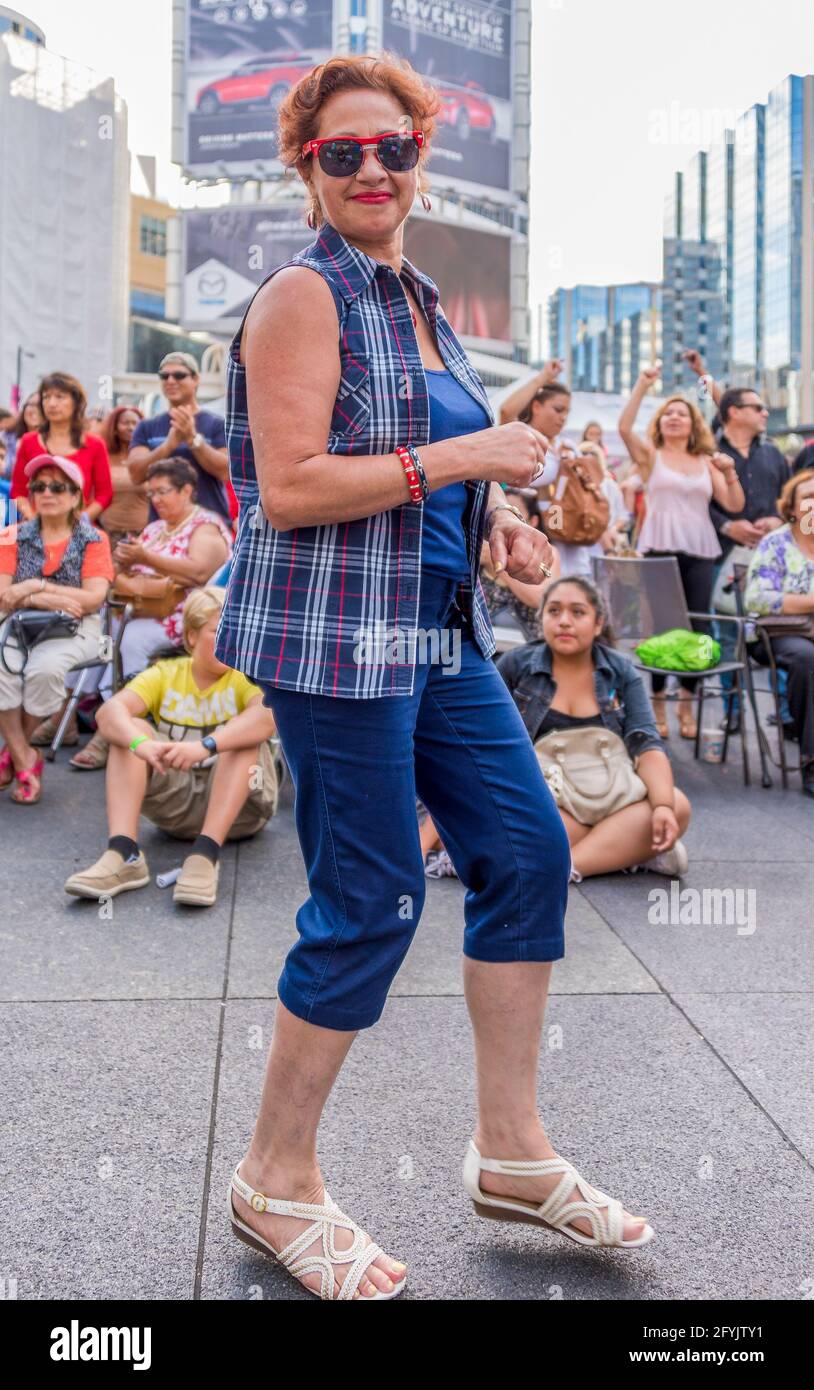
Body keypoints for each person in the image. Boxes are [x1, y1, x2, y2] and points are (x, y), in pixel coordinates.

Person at [213, 52, 653, 1305]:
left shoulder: (413, 296)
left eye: (391, 148)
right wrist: (463, 451)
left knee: (524, 850)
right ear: (305, 166)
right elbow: (292, 488)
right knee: (371, 896)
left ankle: (510, 1152)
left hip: (437, 623)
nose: (370, 169)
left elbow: (424, 458)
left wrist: (496, 510)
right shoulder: (305, 295)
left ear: (422, 158)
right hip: (338, 636)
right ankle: (273, 1177)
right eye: (340, 151)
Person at [64, 587, 279, 906]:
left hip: (242, 814)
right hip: (174, 805)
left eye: (234, 632)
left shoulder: (244, 675)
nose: (228, 640)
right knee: (131, 729)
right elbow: (109, 713)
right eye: (217, 631)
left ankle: (205, 856)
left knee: (242, 740)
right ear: (191, 637)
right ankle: (124, 853)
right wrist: (141, 744)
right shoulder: (166, 673)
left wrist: (206, 746)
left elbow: (268, 716)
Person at [497, 577, 691, 878]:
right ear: (541, 618)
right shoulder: (514, 665)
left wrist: (663, 806)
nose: (564, 622)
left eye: (577, 612)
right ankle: (624, 851)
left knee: (676, 805)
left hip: (612, 792)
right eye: (554, 611)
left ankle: (563, 869)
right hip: (550, 799)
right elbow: (486, 742)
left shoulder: (621, 671)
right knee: (528, 831)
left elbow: (646, 741)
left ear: (598, 623)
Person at [67, 457, 232, 771]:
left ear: (186, 491)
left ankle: (113, 726)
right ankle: (69, 711)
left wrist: (145, 557)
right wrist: (125, 561)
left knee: (129, 641)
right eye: (151, 493)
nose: (155, 499)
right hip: (134, 608)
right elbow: (131, 567)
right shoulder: (156, 527)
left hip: (180, 616)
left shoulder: (205, 526)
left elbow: (199, 572)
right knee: (94, 632)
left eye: (162, 491)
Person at [618, 367, 745, 739]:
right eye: (669, 413)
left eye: (683, 413)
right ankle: (658, 706)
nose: (675, 417)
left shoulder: (707, 460)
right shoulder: (650, 456)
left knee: (697, 629)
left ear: (694, 424)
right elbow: (625, 429)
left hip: (701, 550)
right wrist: (642, 383)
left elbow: (734, 504)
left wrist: (730, 471)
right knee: (660, 629)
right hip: (659, 548)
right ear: (661, 421)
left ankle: (687, 708)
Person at [0, 454, 113, 803]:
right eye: (39, 486)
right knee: (1, 668)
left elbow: (93, 599)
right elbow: (3, 594)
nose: (47, 492)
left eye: (57, 486)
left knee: (43, 670)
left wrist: (34, 588)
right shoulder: (11, 535)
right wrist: (53, 597)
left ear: (76, 496)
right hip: (17, 623)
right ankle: (23, 758)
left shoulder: (93, 538)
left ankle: (12, 755)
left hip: (76, 626)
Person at [745, 469, 814, 798]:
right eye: (808, 498)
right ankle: (811, 760)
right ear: (791, 508)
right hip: (775, 634)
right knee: (807, 660)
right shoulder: (777, 543)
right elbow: (757, 598)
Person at [128, 353, 230, 525]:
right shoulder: (146, 427)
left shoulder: (217, 425)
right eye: (164, 376)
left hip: (210, 526)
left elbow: (226, 471)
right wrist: (168, 446)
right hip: (163, 529)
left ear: (196, 379)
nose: (170, 381)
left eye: (179, 375)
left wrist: (193, 440)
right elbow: (136, 474)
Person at [10, 373, 113, 525]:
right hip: (36, 530)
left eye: (60, 397)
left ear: (76, 403)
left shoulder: (95, 445)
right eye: (46, 397)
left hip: (78, 532)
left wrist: (80, 519)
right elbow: (18, 491)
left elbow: (105, 494)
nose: (51, 403)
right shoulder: (28, 442)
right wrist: (34, 520)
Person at [98, 405, 147, 547]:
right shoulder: (104, 456)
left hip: (143, 535)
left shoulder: (148, 457)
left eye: (135, 423)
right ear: (114, 428)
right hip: (108, 534)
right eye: (125, 423)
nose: (131, 427)